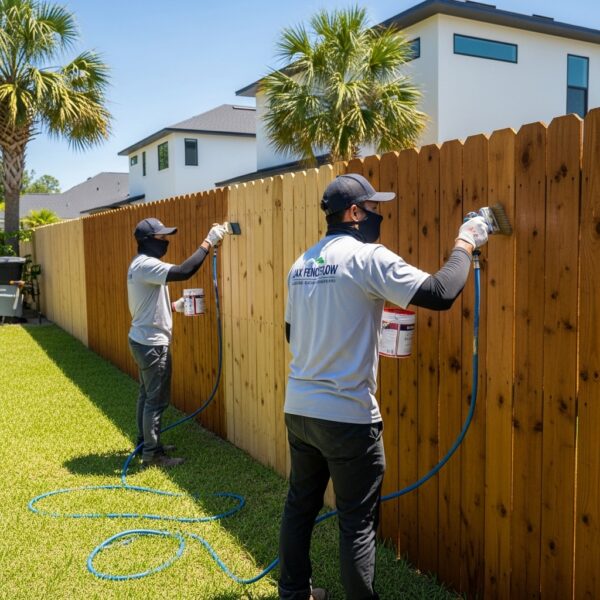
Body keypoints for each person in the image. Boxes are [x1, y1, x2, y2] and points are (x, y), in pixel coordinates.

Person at [279, 173, 489, 600]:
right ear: (354, 213)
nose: (378, 216)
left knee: (300, 505)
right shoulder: (366, 257)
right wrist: (465, 242)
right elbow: (441, 291)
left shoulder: (301, 264)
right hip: (348, 417)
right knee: (357, 522)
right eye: (373, 208)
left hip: (299, 409)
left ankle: (294, 594)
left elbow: (290, 332)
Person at [127, 217, 228, 468]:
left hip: (142, 339)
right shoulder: (147, 265)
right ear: (147, 241)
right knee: (156, 400)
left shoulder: (140, 265)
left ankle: (145, 444)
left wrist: (175, 307)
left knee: (146, 395)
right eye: (161, 238)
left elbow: (148, 304)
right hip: (152, 344)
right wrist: (209, 241)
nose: (166, 241)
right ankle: (153, 455)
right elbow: (184, 271)